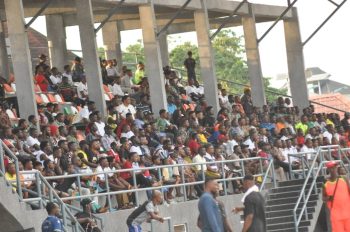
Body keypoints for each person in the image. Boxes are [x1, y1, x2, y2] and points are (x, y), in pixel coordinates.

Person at [322, 161, 350, 232]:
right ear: (328, 169)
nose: (333, 169)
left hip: (348, 214)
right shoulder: (325, 183)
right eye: (331, 168)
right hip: (336, 216)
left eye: (334, 167)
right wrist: (328, 198)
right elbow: (323, 198)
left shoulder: (344, 179)